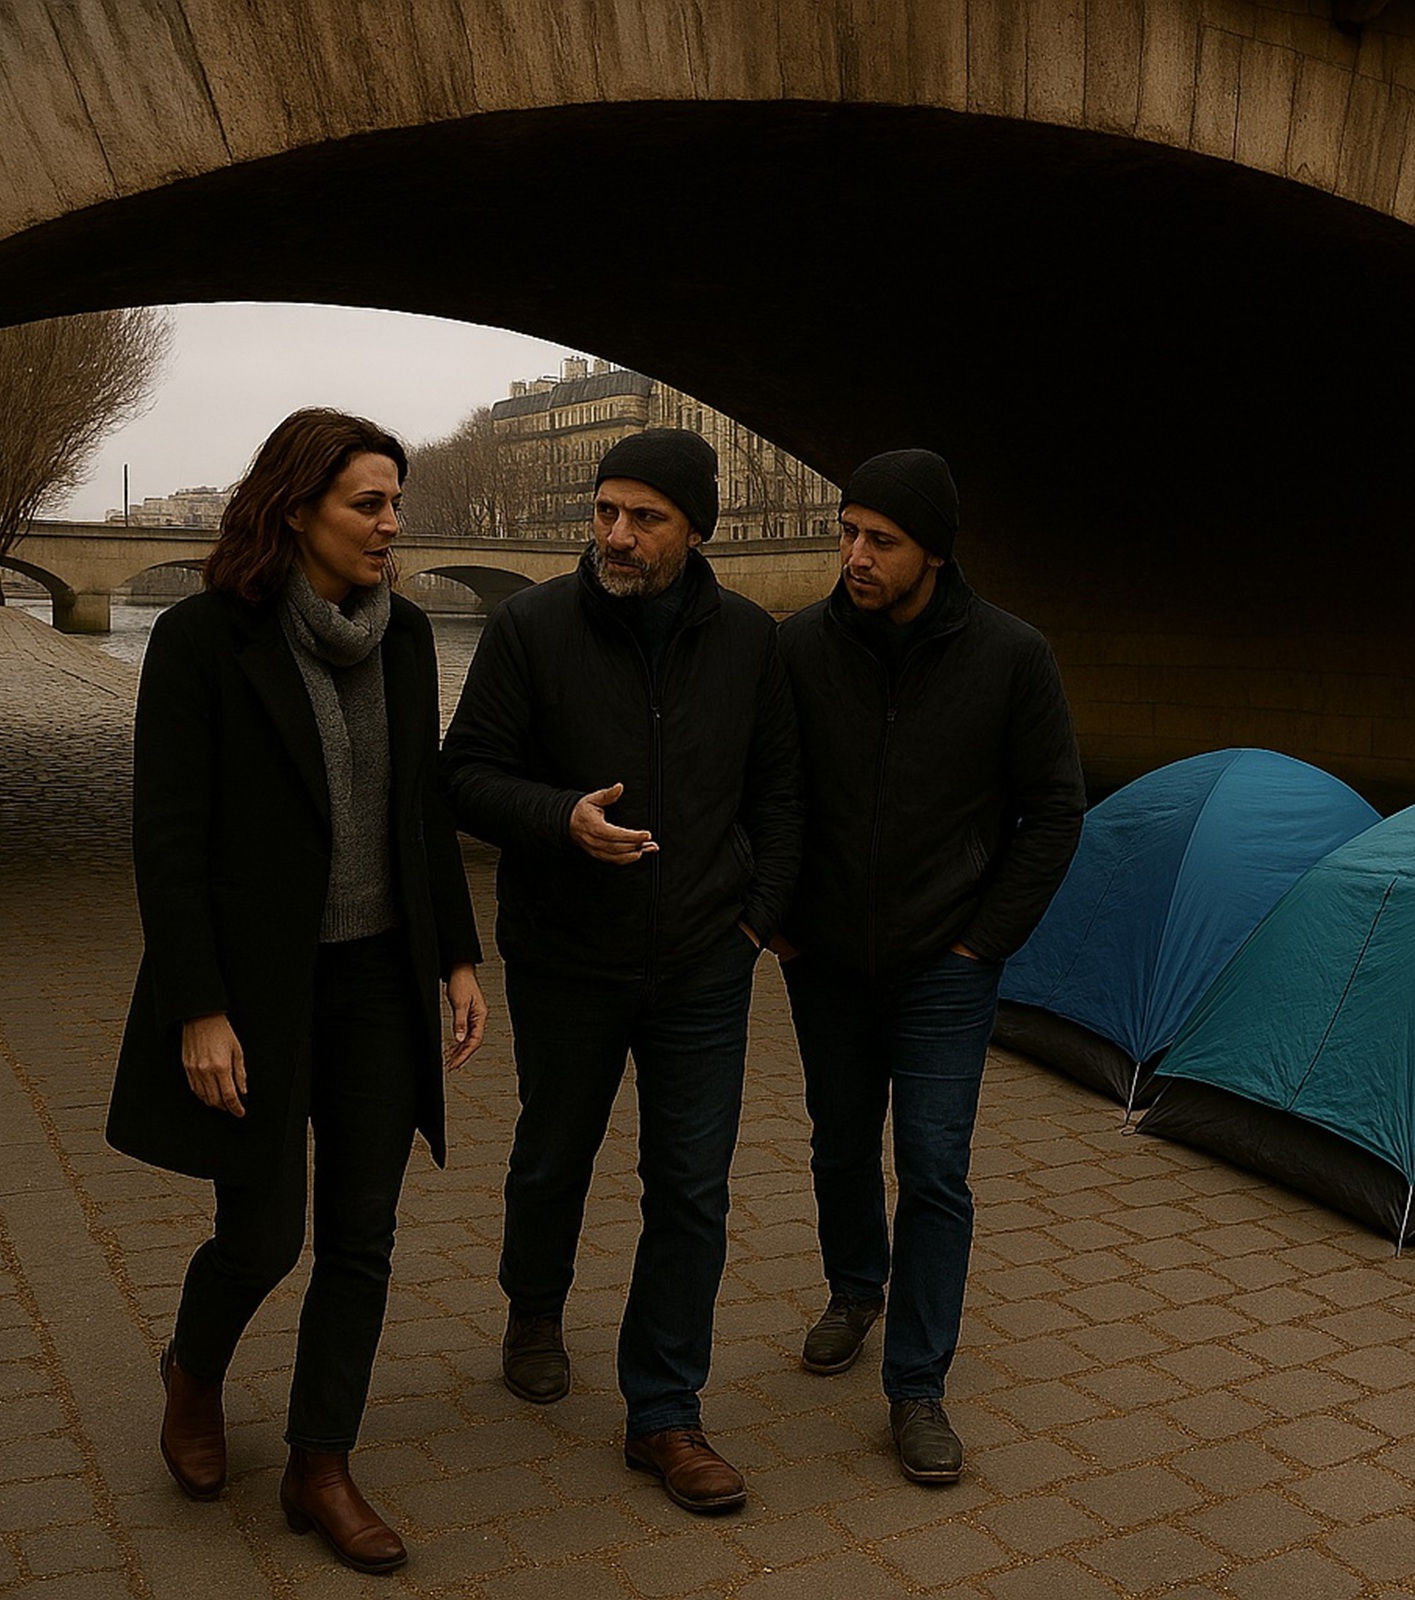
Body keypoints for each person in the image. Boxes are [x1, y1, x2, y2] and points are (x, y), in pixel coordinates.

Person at [108, 408, 487, 1576]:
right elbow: (169, 839)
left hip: (378, 977)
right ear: (295, 507)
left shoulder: (407, 635)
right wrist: (198, 1006)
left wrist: (457, 956)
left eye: (395, 503)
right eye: (369, 503)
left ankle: (321, 1463)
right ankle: (194, 1369)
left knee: (362, 1234)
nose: (391, 524)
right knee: (264, 1234)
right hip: (260, 988)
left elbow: (420, 807)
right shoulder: (202, 638)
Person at [440, 427, 799, 1513]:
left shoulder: (750, 641)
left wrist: (753, 924)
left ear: (697, 530)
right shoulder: (531, 627)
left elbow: (783, 796)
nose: (618, 535)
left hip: (703, 964)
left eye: (646, 517)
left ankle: (666, 1412)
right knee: (554, 1154)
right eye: (606, 510)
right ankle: (534, 1309)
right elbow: (464, 776)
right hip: (565, 957)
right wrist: (560, 818)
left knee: (690, 1186)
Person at [772, 447, 1084, 1484]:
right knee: (838, 1141)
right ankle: (855, 1287)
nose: (855, 556)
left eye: (882, 540)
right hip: (824, 956)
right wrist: (779, 925)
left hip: (947, 964)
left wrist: (980, 940)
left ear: (936, 554)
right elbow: (763, 792)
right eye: (847, 532)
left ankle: (917, 1388)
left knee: (936, 1168)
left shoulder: (1012, 656)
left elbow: (1055, 812)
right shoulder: (801, 647)